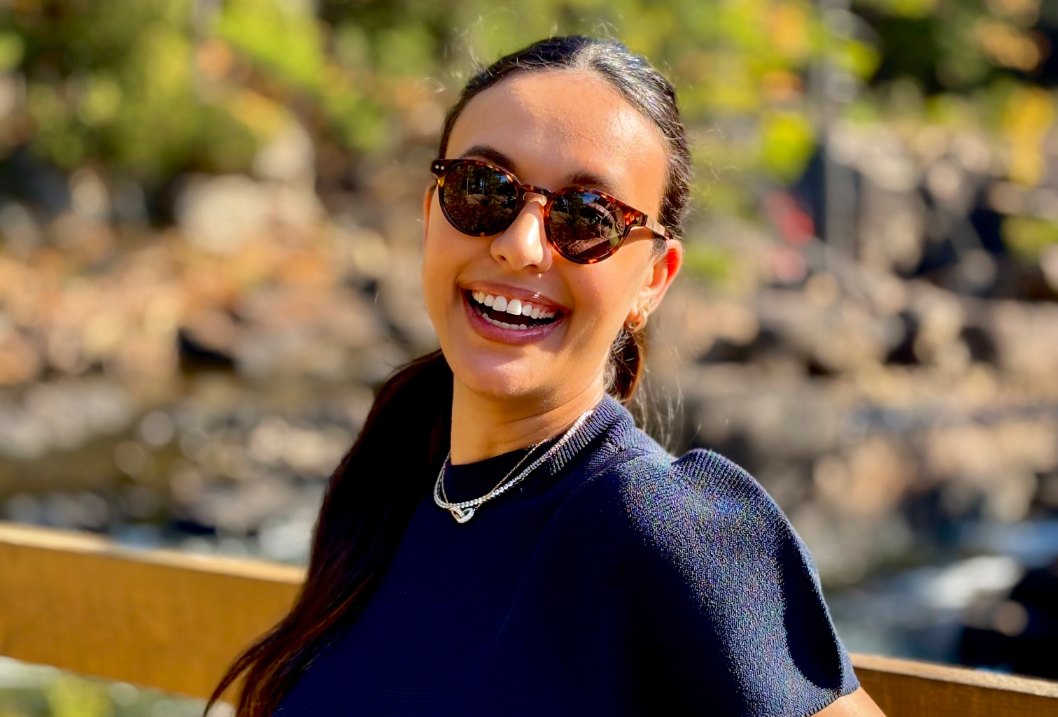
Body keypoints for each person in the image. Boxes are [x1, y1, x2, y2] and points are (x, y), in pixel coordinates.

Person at [207, 35, 886, 716]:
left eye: (587, 217)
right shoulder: (385, 488)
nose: (520, 244)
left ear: (653, 278)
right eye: (482, 189)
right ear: (429, 214)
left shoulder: (675, 532)